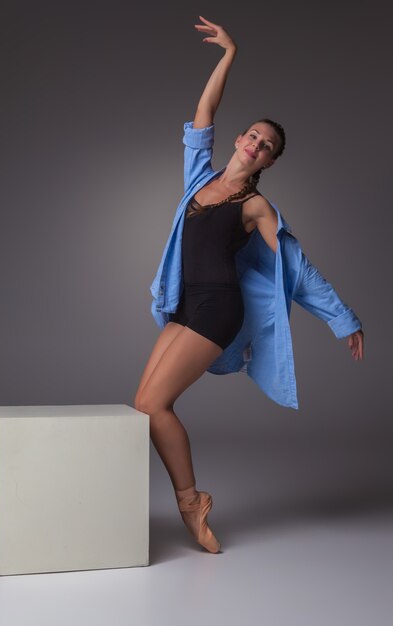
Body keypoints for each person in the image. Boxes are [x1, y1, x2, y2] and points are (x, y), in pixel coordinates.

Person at [134, 16, 364, 554]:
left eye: (267, 146)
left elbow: (297, 266)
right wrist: (229, 52)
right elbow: (203, 113)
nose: (256, 145)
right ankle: (190, 500)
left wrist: (343, 318)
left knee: (153, 407)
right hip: (184, 305)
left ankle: (192, 503)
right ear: (240, 139)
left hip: (217, 309)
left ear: (270, 162)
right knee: (142, 403)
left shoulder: (256, 206)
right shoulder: (200, 177)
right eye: (254, 135)